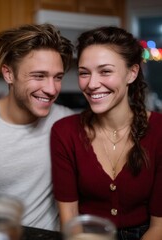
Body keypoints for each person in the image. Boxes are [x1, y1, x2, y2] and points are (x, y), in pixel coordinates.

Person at [50, 26, 162, 239]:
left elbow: (160, 226)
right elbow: (70, 221)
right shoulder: (64, 132)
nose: (91, 84)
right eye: (84, 73)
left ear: (132, 73)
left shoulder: (160, 130)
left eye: (105, 71)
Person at [0, 23, 74, 230]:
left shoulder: (66, 123)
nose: (51, 89)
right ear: (8, 74)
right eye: (38, 76)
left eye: (57, 77)